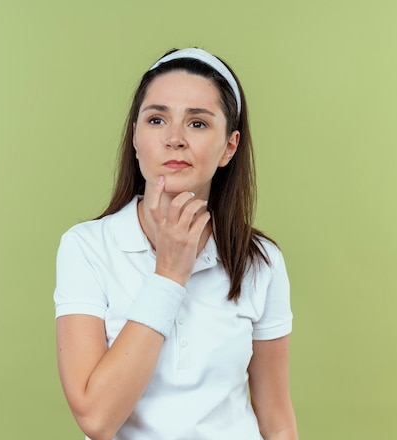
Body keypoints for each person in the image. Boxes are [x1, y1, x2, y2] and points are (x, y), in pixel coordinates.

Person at [53, 47, 299, 440]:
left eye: (198, 124)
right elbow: (97, 419)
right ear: (135, 136)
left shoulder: (260, 261)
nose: (174, 139)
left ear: (229, 147)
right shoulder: (86, 248)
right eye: (156, 119)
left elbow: (277, 418)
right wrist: (169, 274)